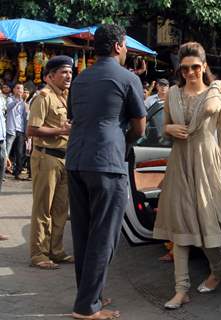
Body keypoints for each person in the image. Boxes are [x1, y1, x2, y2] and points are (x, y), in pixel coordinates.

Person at [153, 42, 221, 310]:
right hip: (180, 163)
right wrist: (170, 128)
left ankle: (218, 269)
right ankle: (181, 290)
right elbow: (164, 128)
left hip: (207, 163)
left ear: (204, 67)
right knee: (181, 226)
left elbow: (213, 109)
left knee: (205, 223)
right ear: (179, 70)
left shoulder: (216, 93)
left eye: (195, 67)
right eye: (185, 69)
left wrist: (215, 86)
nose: (190, 73)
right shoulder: (171, 94)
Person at [66, 24, 146, 320]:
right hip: (106, 163)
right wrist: (120, 142)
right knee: (104, 236)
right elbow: (139, 126)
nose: (125, 51)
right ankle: (86, 307)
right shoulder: (128, 79)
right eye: (125, 46)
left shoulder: (81, 78)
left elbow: (76, 119)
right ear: (117, 46)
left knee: (84, 234)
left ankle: (90, 296)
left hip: (76, 160)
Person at [27, 56, 74, 270]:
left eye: (70, 72)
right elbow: (31, 130)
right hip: (46, 157)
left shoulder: (65, 97)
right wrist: (61, 131)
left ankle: (56, 250)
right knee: (43, 207)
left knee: (61, 208)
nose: (68, 75)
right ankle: (39, 254)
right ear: (51, 75)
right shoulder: (44, 96)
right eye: (64, 72)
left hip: (64, 158)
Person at [5, 83, 28, 179]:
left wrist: (26, 131)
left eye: (21, 89)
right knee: (6, 151)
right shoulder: (10, 99)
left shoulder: (24, 103)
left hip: (20, 130)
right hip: (11, 129)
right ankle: (2, 172)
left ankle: (17, 172)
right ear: (13, 90)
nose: (20, 90)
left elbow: (25, 117)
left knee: (19, 152)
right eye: (18, 88)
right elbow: (9, 107)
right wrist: (18, 100)